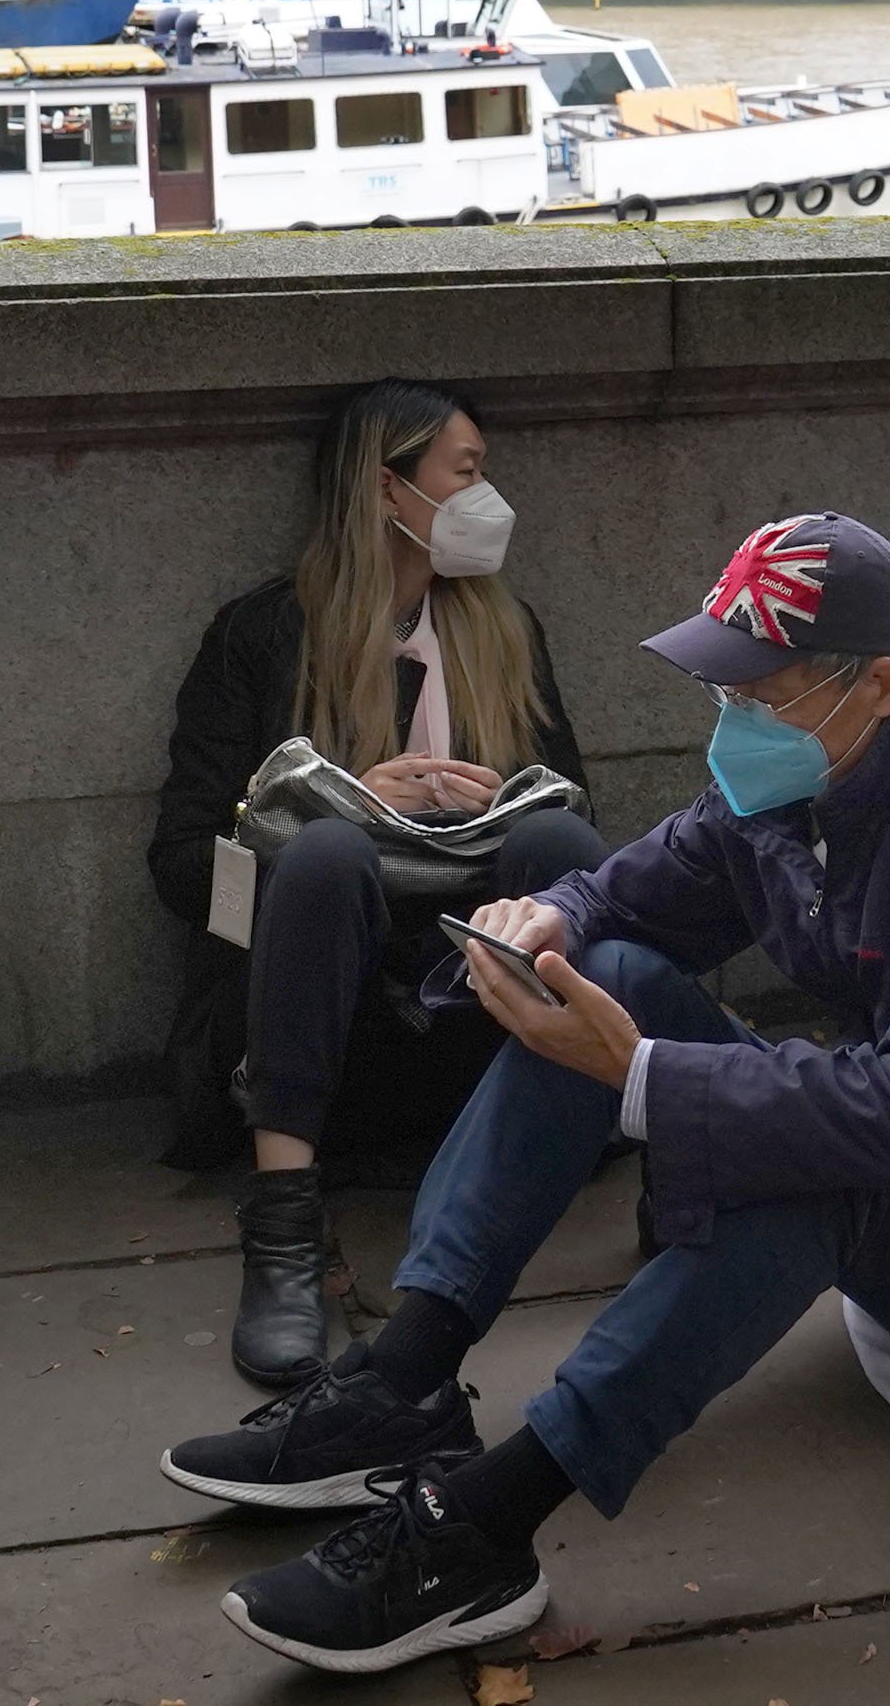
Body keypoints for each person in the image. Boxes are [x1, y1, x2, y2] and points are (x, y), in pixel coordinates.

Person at [157, 513, 890, 1676]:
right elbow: (634, 892)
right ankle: (403, 1379)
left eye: (758, 688)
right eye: (722, 683)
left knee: (832, 1162)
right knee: (604, 974)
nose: (731, 714)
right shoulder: (819, 766)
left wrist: (642, 1077)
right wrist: (552, 918)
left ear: (879, 687)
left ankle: (486, 1528)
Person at [148, 380, 614, 1387]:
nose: (489, 500)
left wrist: (504, 807)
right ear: (385, 488)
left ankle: (564, 1141)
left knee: (554, 840)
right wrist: (326, 807)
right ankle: (282, 1231)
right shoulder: (264, 634)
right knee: (329, 853)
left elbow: (591, 844)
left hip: (474, 1024)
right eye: (468, 473)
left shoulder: (502, 630)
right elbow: (183, 870)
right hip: (314, 1033)